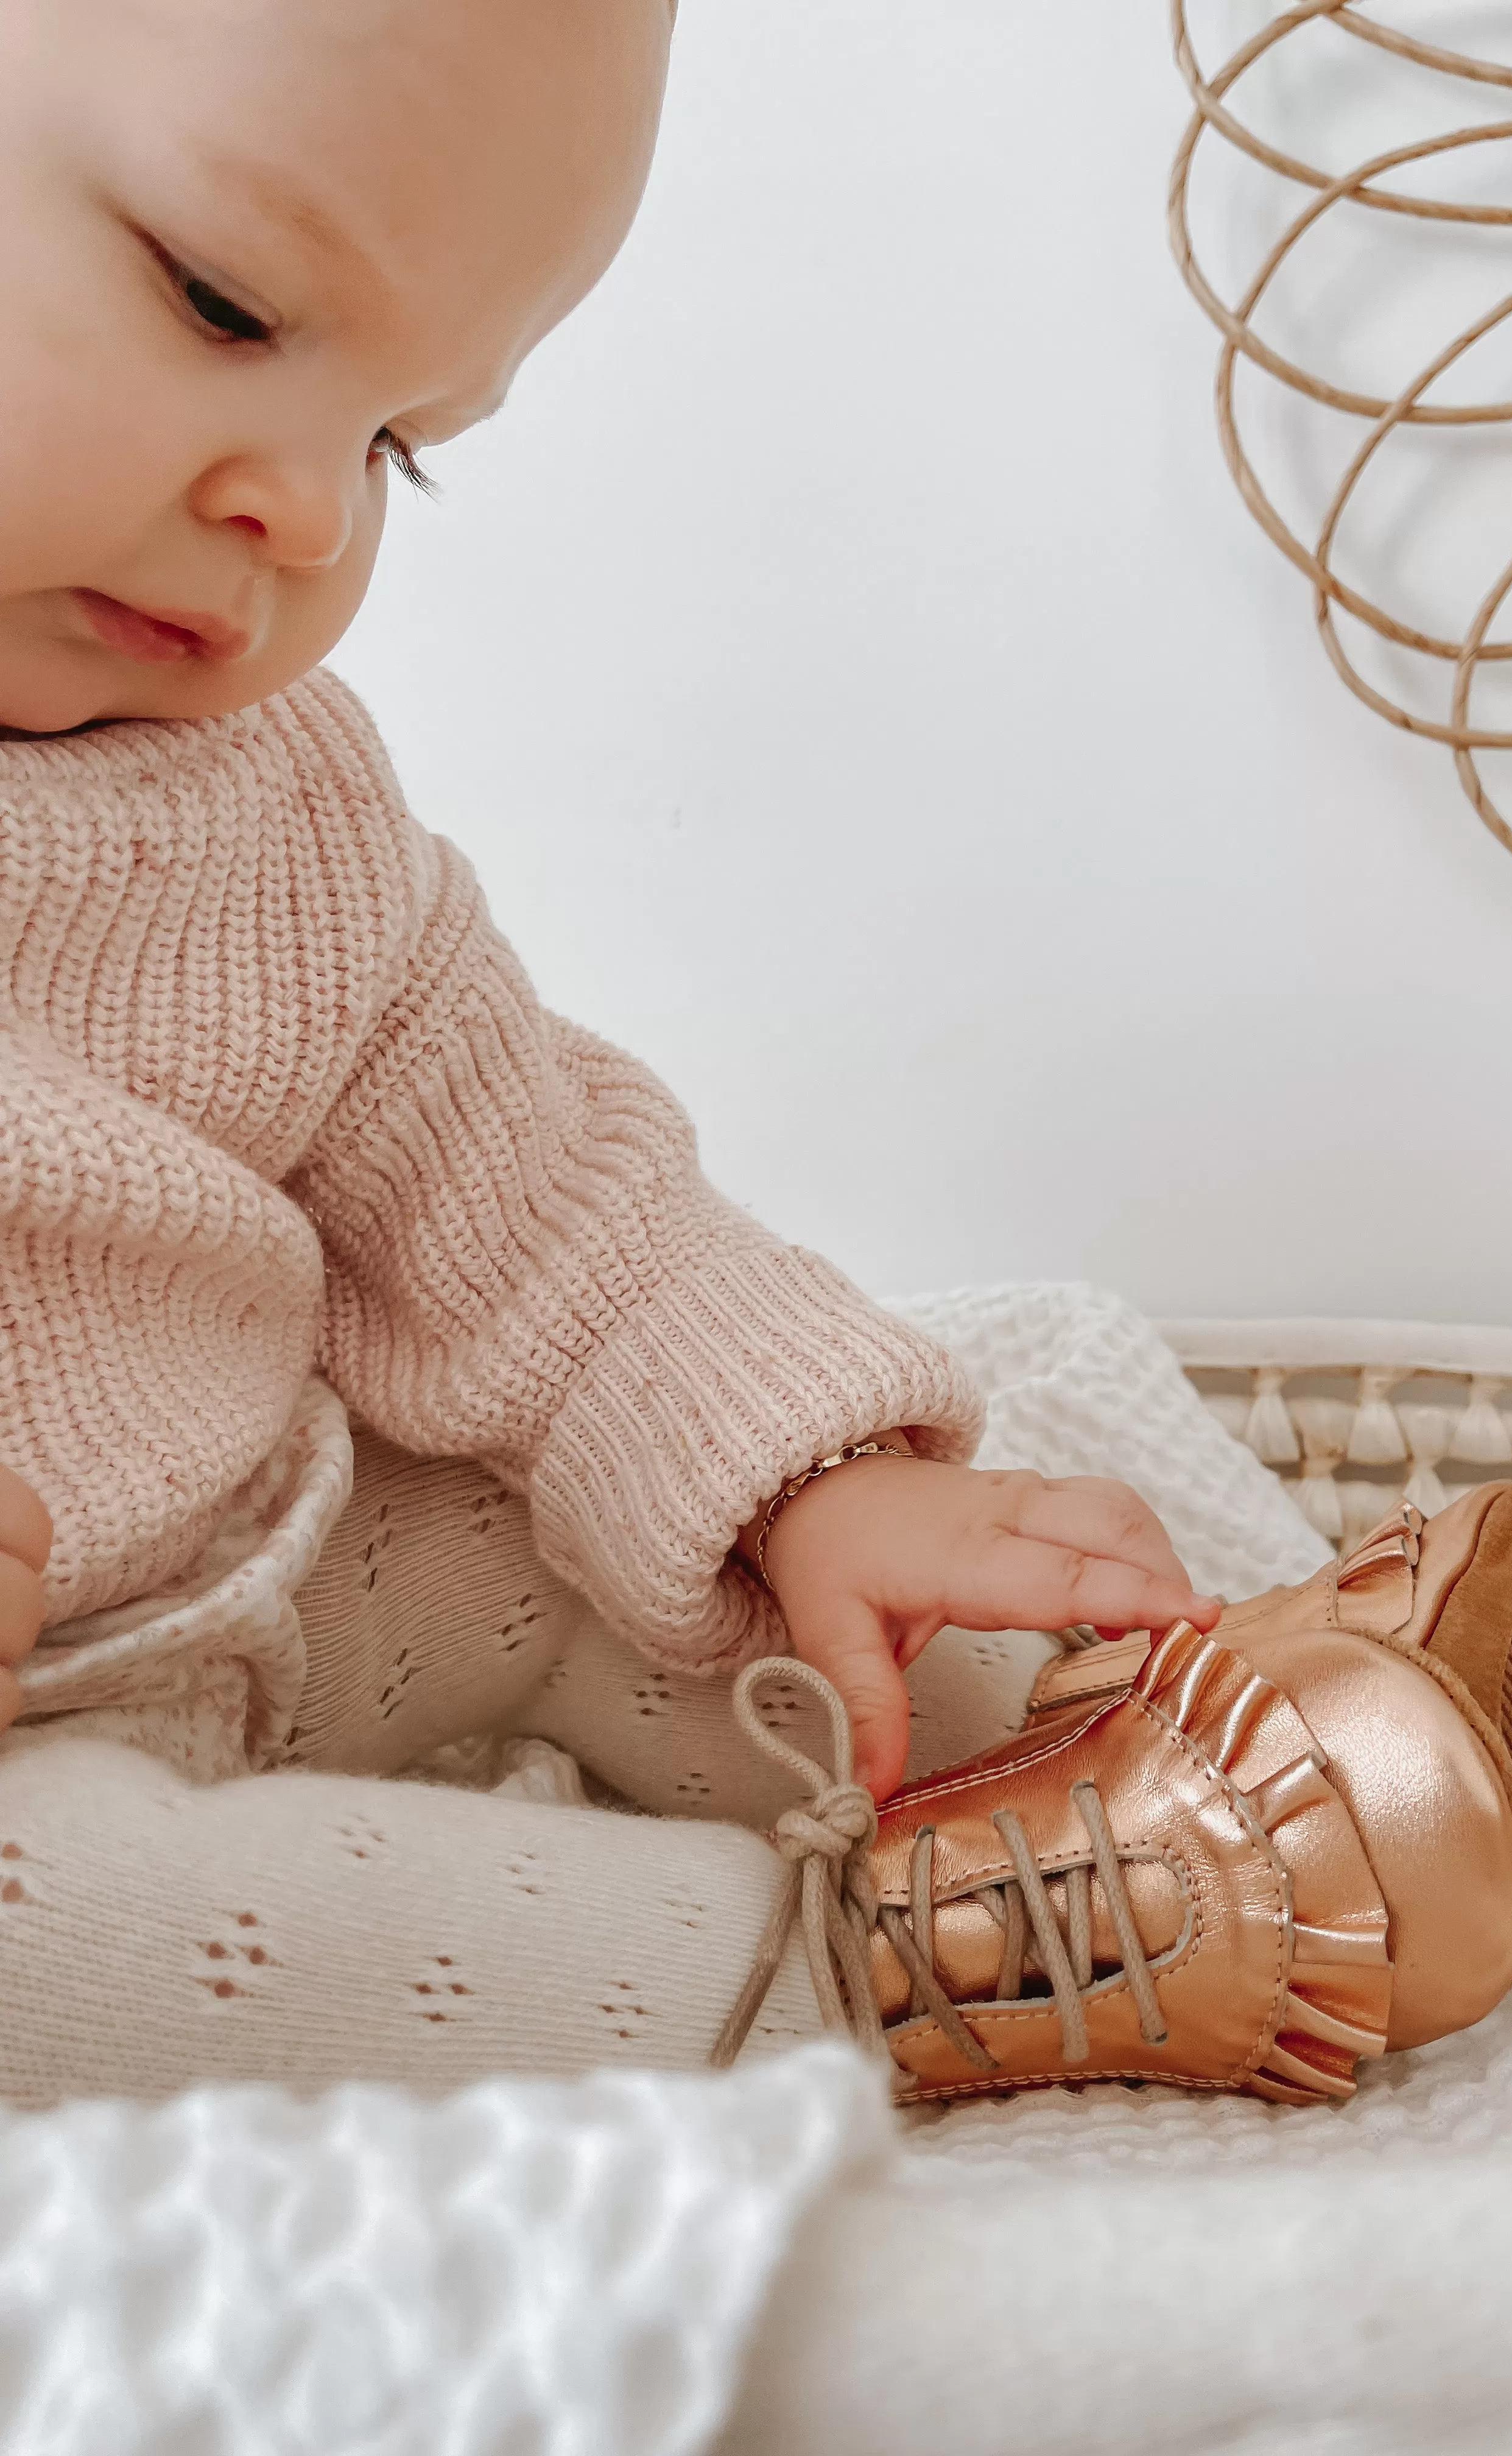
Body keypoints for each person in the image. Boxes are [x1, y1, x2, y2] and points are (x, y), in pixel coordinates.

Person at [0, 0, 1228, 2103]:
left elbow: (541, 1210)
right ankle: (848, 1973)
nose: (306, 507)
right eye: (224, 300)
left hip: (284, 1569)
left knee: (637, 1561)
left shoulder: (275, 816)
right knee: (59, 1944)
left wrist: (818, 1483)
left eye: (401, 441)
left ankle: (1191, 1743)